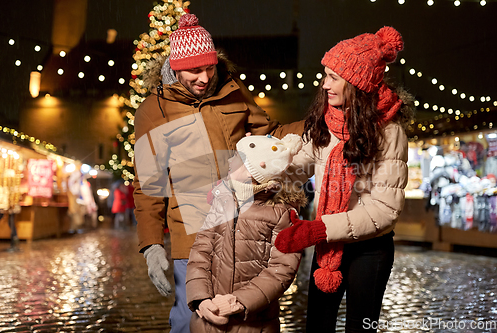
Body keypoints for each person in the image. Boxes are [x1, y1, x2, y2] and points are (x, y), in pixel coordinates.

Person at [132, 13, 304, 333]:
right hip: (192, 230)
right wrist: (151, 245)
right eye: (194, 70)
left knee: (245, 318)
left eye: (209, 67)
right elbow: (147, 184)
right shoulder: (153, 111)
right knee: (191, 320)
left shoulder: (233, 92)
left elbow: (271, 135)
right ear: (175, 67)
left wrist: (317, 125)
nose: (204, 76)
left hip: (244, 224)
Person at [274, 27, 415, 332]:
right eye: (324, 75)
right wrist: (264, 163)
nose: (324, 85)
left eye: (333, 77)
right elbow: (299, 167)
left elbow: (383, 210)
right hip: (328, 243)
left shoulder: (390, 133)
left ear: (356, 83)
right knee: (317, 325)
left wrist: (318, 229)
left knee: (359, 328)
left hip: (370, 249)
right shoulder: (327, 121)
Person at [186, 133, 305, 332]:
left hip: (254, 324)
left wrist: (238, 302)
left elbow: (282, 269)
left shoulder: (282, 213)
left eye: (238, 157)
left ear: (253, 170)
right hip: (207, 321)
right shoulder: (221, 199)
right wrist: (201, 300)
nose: (231, 160)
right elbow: (200, 253)